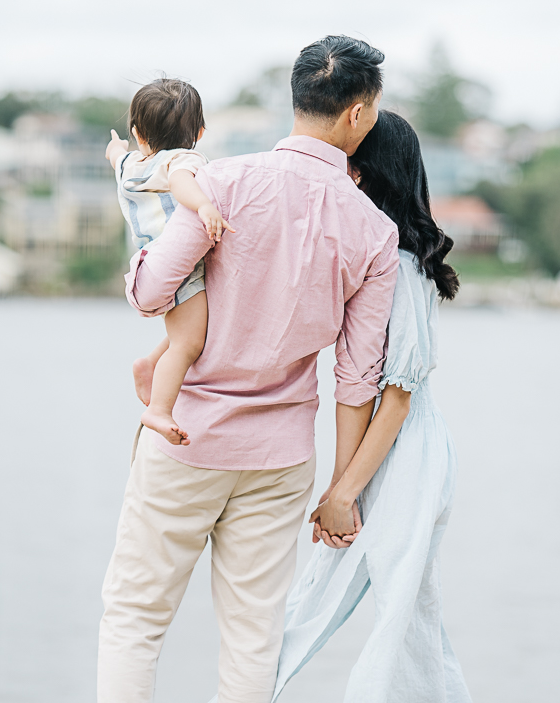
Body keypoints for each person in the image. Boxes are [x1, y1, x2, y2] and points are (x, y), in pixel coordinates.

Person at [98, 36, 401, 703]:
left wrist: (139, 272)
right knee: (253, 637)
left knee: (135, 620)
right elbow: (357, 379)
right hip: (280, 457)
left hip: (186, 439)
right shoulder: (375, 232)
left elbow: (153, 296)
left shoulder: (220, 181)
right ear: (357, 114)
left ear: (297, 99)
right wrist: (342, 489)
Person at [275, 110, 472, 702]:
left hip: (406, 451)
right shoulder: (383, 256)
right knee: (331, 603)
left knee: (403, 620)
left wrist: (342, 492)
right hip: (395, 449)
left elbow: (397, 395)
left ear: (363, 175)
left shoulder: (405, 268)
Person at [105, 78, 234, 446]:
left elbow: (116, 155)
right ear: (201, 131)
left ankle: (149, 363)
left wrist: (116, 148)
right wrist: (204, 204)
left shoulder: (130, 165)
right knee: (189, 344)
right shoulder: (183, 161)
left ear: (137, 134)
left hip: (148, 261)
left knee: (185, 333)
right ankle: (159, 408)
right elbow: (180, 183)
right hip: (182, 267)